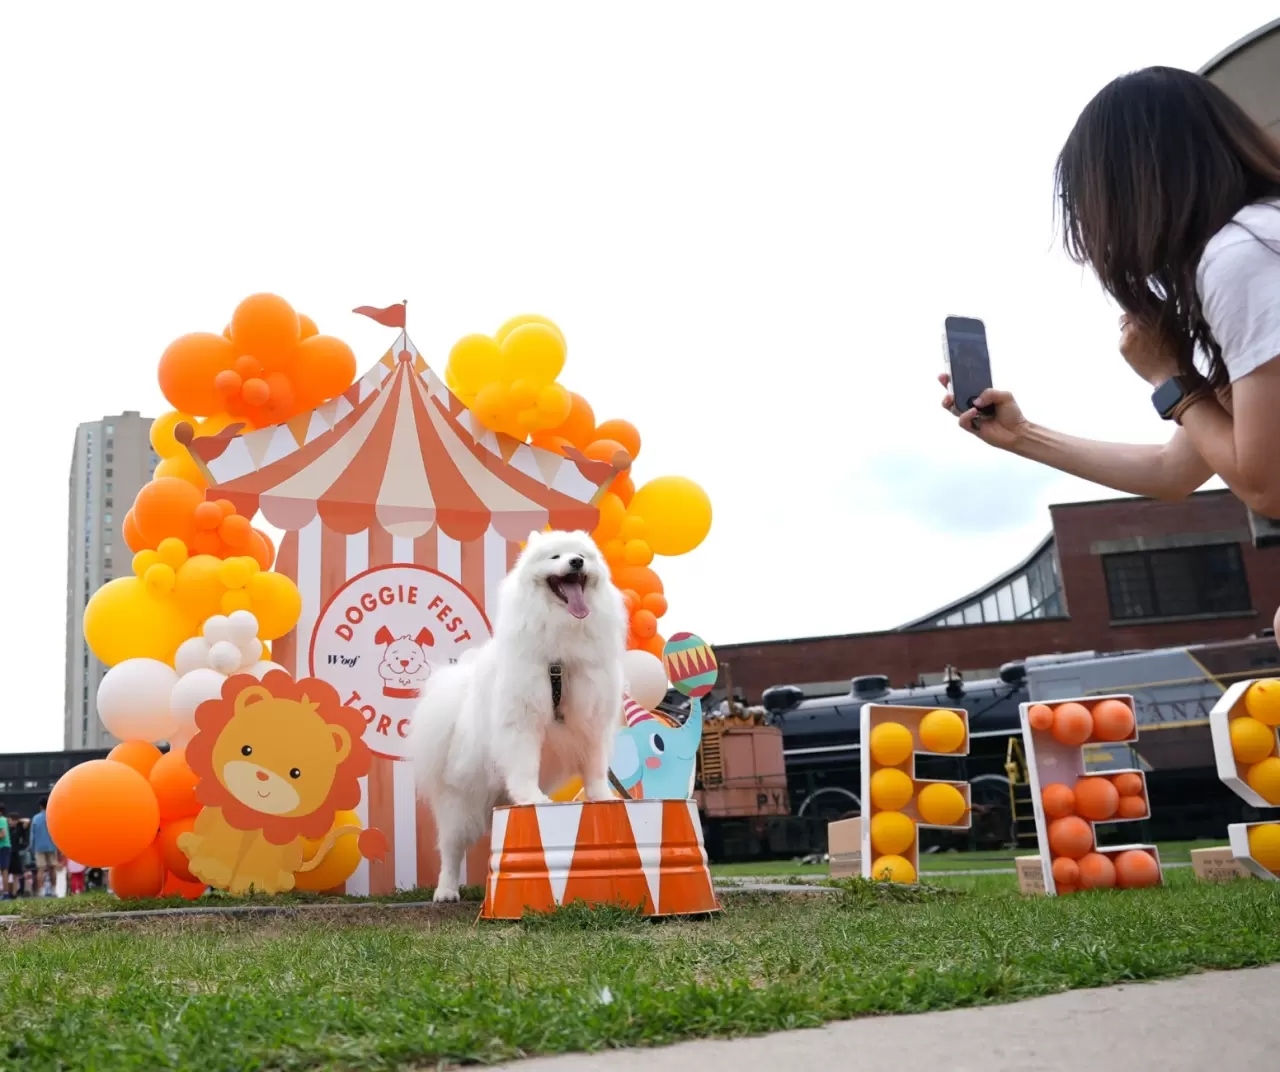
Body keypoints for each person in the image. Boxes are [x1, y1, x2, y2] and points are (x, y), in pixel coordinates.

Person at [942, 67, 1280, 519]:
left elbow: (1268, 487)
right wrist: (1021, 434)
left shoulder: (1244, 253)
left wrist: (1168, 376)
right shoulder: (1259, 238)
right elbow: (1173, 471)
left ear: (1132, 186)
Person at [29, 799, 59, 897]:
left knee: (40, 870)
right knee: (53, 868)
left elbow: (32, 836)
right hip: (52, 845)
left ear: (41, 806)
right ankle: (54, 890)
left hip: (39, 846)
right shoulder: (53, 817)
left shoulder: (36, 818)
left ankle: (41, 892)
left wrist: (32, 848)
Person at [0, 805, 11, 900]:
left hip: (3, 847)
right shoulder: (4, 820)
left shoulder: (1, 820)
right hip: (4, 847)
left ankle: (5, 893)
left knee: (4, 870)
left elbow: (3, 834)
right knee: (3, 870)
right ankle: (4, 893)